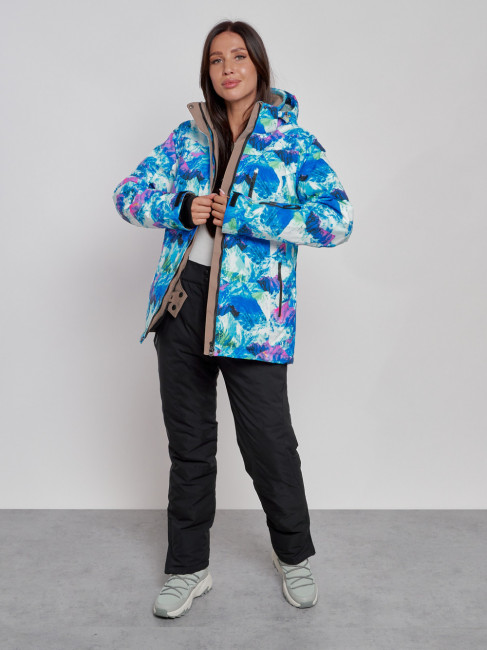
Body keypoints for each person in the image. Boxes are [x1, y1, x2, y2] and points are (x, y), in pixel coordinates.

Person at [112, 19, 353, 619]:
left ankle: (293, 556)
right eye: (216, 59)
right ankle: (187, 568)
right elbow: (126, 194)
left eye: (238, 56)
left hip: (254, 316)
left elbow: (337, 220)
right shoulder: (187, 135)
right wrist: (181, 207)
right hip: (183, 303)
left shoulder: (290, 140)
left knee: (270, 443)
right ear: (208, 71)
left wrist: (246, 215)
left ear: (258, 65)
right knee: (189, 446)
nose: (228, 68)